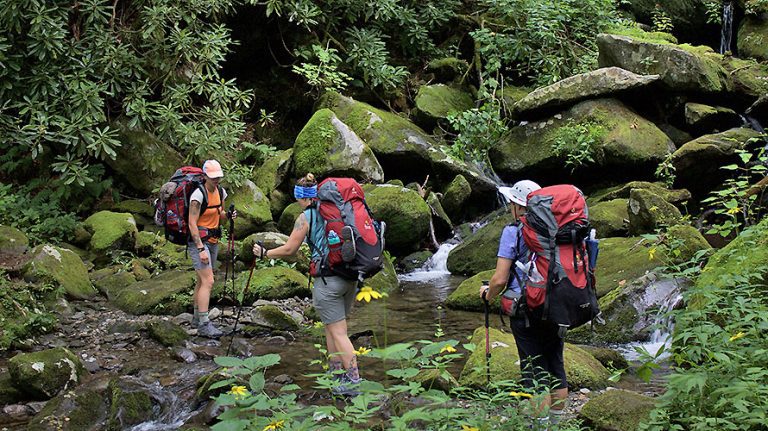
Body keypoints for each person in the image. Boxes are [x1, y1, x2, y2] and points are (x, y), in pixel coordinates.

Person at [252, 173, 361, 395]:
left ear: (302, 197)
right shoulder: (340, 211)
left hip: (328, 280)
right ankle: (336, 375)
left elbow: (290, 249)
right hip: (349, 277)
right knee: (333, 330)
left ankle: (355, 382)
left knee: (339, 334)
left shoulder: (306, 217)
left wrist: (265, 253)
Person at [479, 180, 567, 428]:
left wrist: (488, 294)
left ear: (519, 206)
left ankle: (538, 425)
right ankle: (558, 424)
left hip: (527, 307)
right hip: (559, 304)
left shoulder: (514, 231)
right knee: (555, 364)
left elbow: (500, 279)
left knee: (533, 369)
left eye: (512, 204)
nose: (510, 208)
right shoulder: (557, 227)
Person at [188, 159, 234, 338]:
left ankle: (196, 318)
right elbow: (192, 223)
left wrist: (228, 215)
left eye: (218, 177)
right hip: (198, 242)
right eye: (213, 177)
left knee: (201, 280)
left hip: (213, 239)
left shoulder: (221, 192)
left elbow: (220, 216)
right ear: (205, 176)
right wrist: (200, 248)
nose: (216, 180)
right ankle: (204, 323)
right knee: (209, 281)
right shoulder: (198, 195)